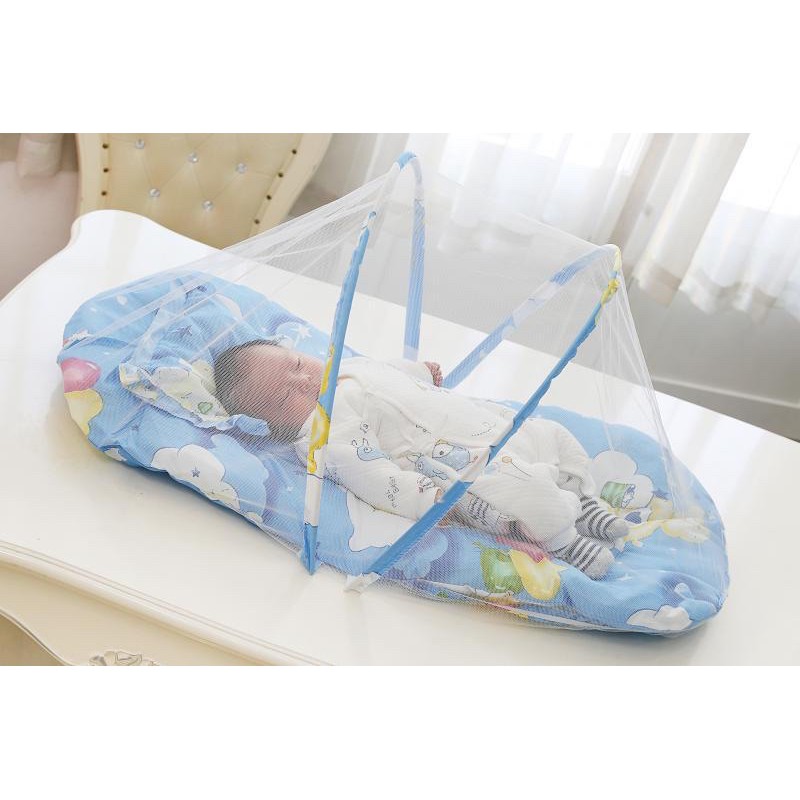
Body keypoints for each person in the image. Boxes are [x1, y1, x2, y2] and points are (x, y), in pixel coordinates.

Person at [213, 339, 628, 579]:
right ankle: (566, 540)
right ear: (278, 426)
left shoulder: (348, 366)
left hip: (489, 424)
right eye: (286, 396)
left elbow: (388, 370)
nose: (304, 380)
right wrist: (423, 497)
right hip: (467, 461)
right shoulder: (326, 431)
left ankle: (583, 500)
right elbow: (372, 475)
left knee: (553, 434)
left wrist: (421, 372)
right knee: (526, 492)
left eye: (296, 364)